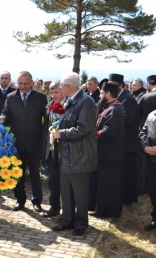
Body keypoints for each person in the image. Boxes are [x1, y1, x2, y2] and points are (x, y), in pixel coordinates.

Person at [51, 72, 97, 236]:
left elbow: (84, 128)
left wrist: (61, 134)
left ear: (67, 87)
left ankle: (81, 223)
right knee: (66, 192)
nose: (61, 90)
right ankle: (66, 220)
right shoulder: (71, 101)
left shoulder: (86, 101)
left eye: (62, 86)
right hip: (66, 156)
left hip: (79, 156)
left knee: (80, 194)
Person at [0, 71, 47, 213]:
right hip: (17, 142)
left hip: (34, 142)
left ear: (31, 83)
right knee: (17, 173)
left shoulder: (40, 97)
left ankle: (37, 201)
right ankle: (20, 200)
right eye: (20, 83)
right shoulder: (11, 97)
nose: (22, 86)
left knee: (34, 174)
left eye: (25, 84)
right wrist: (1, 118)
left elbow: (46, 119)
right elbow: (6, 114)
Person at [93, 82, 124, 218]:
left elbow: (108, 132)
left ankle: (107, 213)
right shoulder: (111, 107)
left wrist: (93, 134)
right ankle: (104, 211)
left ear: (108, 94)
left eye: (101, 93)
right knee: (105, 184)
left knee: (109, 185)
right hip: (107, 154)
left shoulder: (114, 109)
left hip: (110, 155)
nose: (100, 95)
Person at [108, 73, 139, 205]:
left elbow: (128, 119)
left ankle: (127, 200)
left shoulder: (127, 98)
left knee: (127, 174)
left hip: (127, 143)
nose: (111, 87)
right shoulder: (117, 98)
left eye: (114, 85)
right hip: (119, 143)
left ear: (121, 85)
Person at [140, 80, 156, 233]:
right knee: (155, 192)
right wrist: (145, 147)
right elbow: (142, 132)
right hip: (152, 161)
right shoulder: (151, 115)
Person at [43, 80, 68, 218]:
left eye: (56, 92)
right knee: (53, 180)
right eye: (51, 93)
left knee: (65, 182)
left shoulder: (70, 105)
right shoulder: (49, 106)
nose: (53, 95)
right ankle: (54, 207)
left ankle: (68, 210)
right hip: (51, 149)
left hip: (65, 149)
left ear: (63, 91)